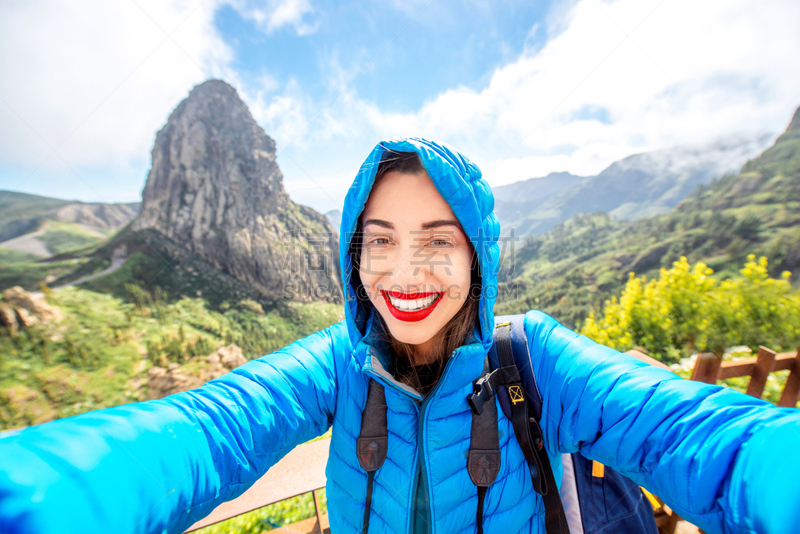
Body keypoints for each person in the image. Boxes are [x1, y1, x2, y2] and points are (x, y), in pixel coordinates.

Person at [0, 137, 799, 534]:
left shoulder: (538, 363)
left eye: (437, 239)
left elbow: (707, 440)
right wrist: (36, 497)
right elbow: (207, 431)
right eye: (379, 239)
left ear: (478, 257)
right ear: (354, 254)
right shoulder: (337, 366)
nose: (404, 271)